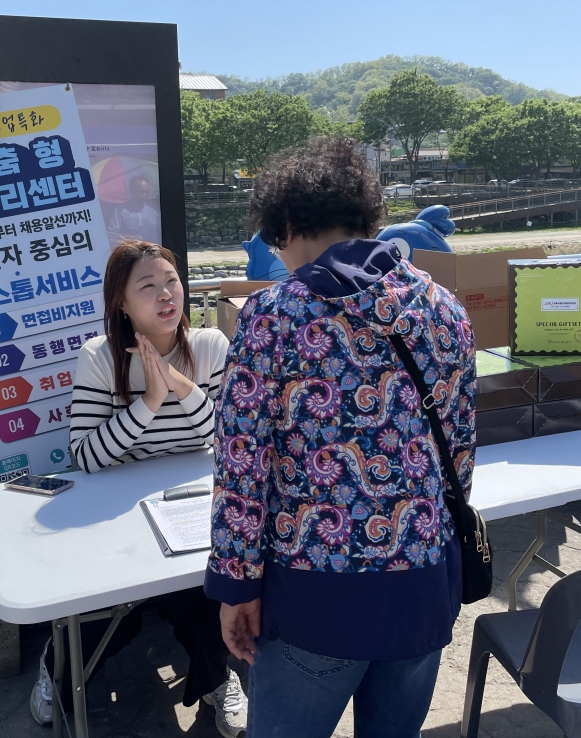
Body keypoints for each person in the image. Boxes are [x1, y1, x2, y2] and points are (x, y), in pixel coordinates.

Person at [204, 137, 476, 737]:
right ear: (366, 217)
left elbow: (243, 465)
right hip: (423, 586)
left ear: (291, 223)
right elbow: (457, 450)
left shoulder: (275, 315)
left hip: (315, 595)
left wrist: (236, 584)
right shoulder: (443, 308)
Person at [30, 240, 248, 738]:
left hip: (190, 502)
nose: (165, 294)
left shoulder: (212, 346)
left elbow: (229, 438)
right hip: (117, 511)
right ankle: (56, 671)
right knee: (112, 616)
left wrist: (180, 384)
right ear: (122, 303)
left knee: (208, 594)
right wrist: (148, 401)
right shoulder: (100, 359)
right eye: (147, 286)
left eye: (170, 280)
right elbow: (85, 456)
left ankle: (218, 678)